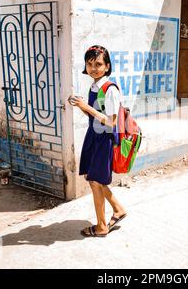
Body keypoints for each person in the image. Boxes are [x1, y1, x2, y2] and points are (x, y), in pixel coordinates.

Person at [68, 45, 127, 237]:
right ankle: (118, 209)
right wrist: (80, 106)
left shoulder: (109, 89)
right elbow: (95, 115)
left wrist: (87, 107)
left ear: (107, 66)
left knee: (95, 181)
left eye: (98, 64)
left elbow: (111, 121)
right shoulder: (95, 86)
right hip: (94, 135)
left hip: (104, 139)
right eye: (90, 64)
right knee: (94, 179)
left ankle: (102, 227)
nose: (93, 68)